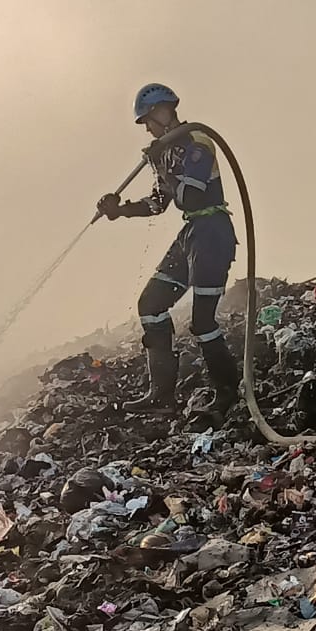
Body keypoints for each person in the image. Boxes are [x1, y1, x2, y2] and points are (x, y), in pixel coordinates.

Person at [96, 83, 240, 415]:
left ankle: (227, 395)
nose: (147, 128)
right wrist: (120, 209)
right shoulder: (164, 149)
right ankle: (161, 396)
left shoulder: (197, 143)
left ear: (163, 112)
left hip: (212, 233)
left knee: (203, 321)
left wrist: (164, 159)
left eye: (148, 120)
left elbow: (189, 193)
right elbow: (159, 203)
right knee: (150, 304)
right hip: (191, 233)